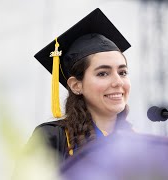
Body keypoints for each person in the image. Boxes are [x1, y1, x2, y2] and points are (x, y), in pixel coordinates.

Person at [27, 8, 132, 164]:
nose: (118, 82)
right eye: (103, 73)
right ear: (76, 85)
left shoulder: (138, 144)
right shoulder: (52, 138)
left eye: (122, 72)